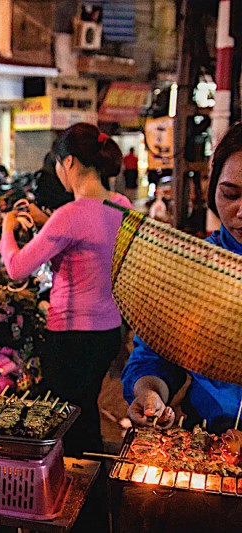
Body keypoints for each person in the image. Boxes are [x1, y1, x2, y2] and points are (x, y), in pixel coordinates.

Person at [0, 123, 133, 457]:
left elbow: (16, 268)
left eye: (58, 165)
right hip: (107, 333)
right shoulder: (121, 205)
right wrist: (46, 221)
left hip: (70, 336)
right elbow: (91, 239)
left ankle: (81, 497)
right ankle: (97, 493)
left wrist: (7, 228)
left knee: (67, 425)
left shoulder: (69, 215)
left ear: (68, 162)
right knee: (86, 413)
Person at [122, 123, 242, 434]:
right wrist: (150, 394)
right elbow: (156, 355)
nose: (241, 211)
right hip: (210, 439)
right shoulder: (192, 270)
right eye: (231, 194)